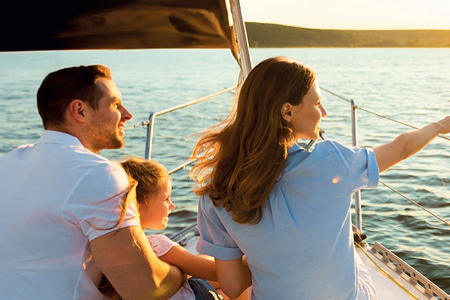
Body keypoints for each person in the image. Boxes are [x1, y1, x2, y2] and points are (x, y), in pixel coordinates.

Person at [190, 56, 450, 300]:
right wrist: (439, 126)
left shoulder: (216, 192)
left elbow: (233, 286)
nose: (323, 112)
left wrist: (270, 257)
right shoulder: (332, 160)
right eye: (316, 103)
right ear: (287, 112)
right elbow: (401, 147)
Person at [0, 65, 184, 299]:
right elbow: (145, 288)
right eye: (116, 105)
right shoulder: (99, 174)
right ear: (80, 111)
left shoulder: (9, 161)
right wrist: (183, 272)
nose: (128, 115)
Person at [99, 157, 223, 300]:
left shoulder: (106, 250)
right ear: (140, 205)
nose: (172, 205)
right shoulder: (158, 246)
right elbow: (217, 273)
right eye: (166, 199)